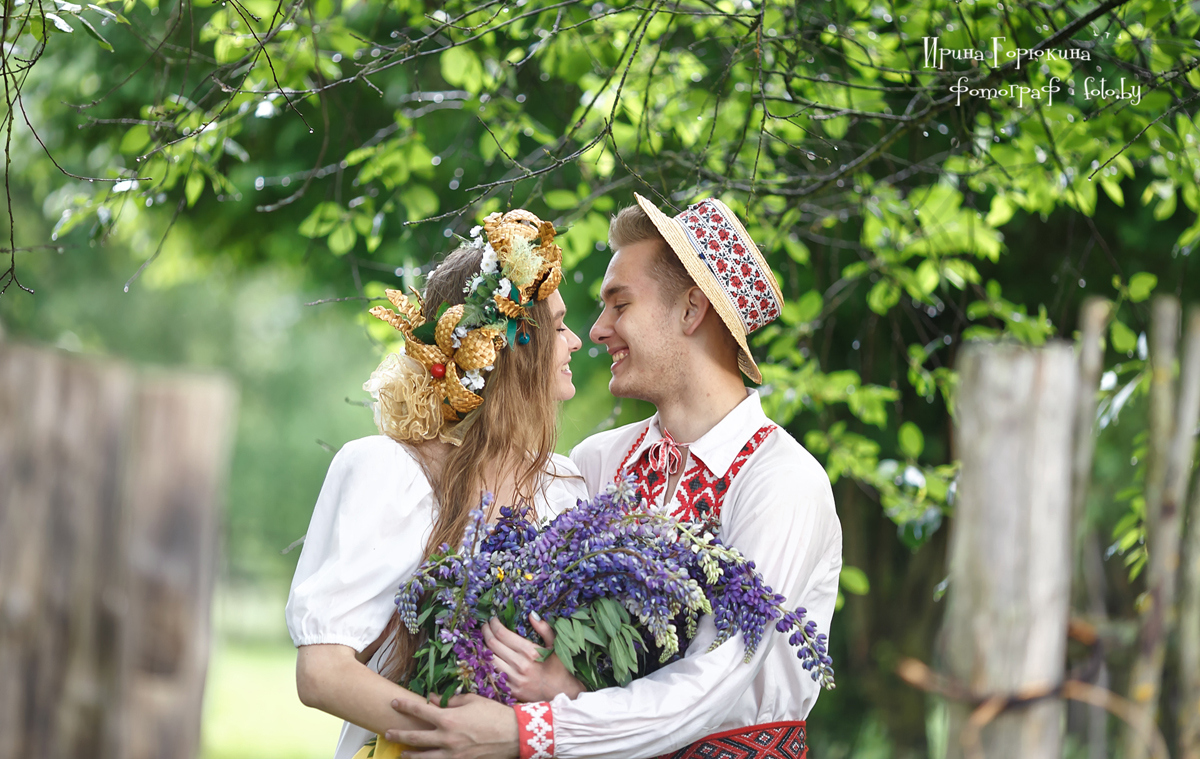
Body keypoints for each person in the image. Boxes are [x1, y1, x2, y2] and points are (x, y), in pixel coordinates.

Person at [383, 194, 842, 759]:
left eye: (618, 304)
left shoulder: (782, 481)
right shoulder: (599, 462)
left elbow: (718, 677)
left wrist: (533, 729)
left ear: (691, 310)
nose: (596, 330)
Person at [285, 210, 587, 759]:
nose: (577, 341)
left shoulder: (566, 486)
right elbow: (322, 673)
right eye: (560, 325)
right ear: (514, 343)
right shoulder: (393, 471)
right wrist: (454, 733)